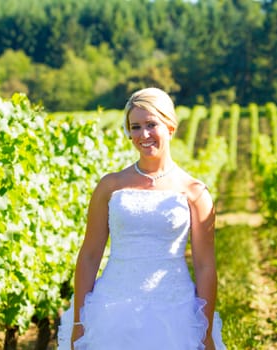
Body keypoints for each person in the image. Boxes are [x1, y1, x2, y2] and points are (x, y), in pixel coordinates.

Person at [57, 87, 225, 350]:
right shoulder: (110, 186)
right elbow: (89, 255)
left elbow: (205, 265)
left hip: (175, 311)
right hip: (112, 309)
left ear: (170, 126)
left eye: (151, 124)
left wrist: (204, 330)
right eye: (135, 127)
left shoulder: (194, 191)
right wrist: (80, 323)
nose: (143, 135)